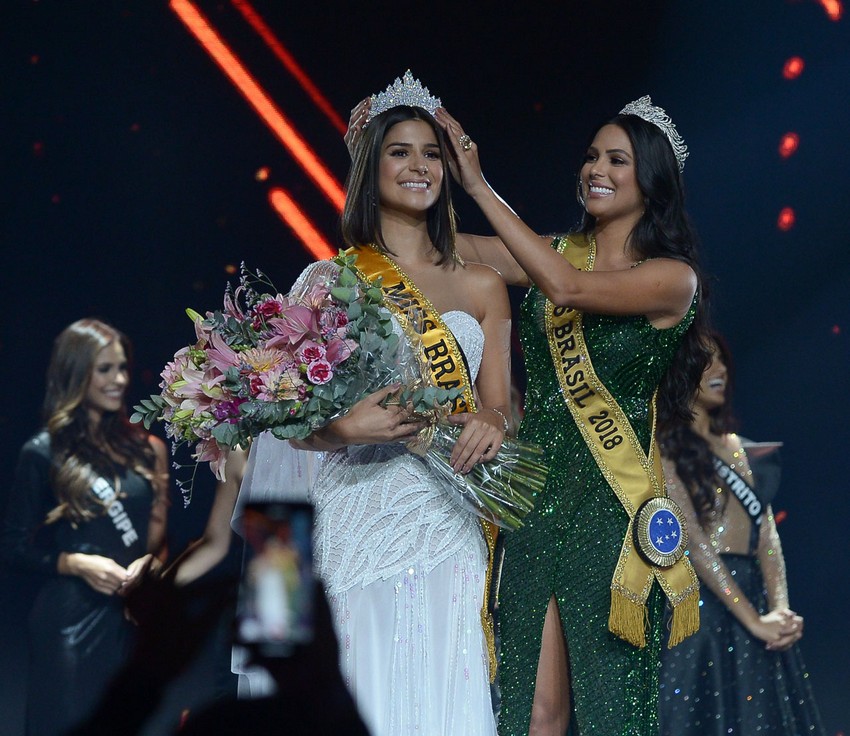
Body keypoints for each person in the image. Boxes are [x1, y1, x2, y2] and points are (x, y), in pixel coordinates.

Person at [350, 95, 711, 734]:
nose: (596, 168)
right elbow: (423, 248)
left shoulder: (670, 277)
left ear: (650, 182)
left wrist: (477, 183)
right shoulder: (553, 251)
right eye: (592, 155)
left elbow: (567, 290)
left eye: (617, 160)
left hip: (610, 508)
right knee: (533, 711)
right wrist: (389, 167)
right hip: (532, 498)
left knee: (609, 708)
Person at [174, 72, 512, 736]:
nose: (419, 166)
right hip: (350, 512)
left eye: (430, 152)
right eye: (400, 151)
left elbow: (498, 404)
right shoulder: (327, 279)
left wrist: (493, 422)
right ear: (370, 168)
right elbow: (278, 422)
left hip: (445, 521)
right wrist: (346, 425)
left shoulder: (483, 285)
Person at [0, 318, 170, 736]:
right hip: (69, 625)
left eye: (123, 368)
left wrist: (153, 563)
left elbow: (161, 541)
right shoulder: (43, 452)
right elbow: (12, 545)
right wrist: (76, 563)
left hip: (132, 620)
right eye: (105, 369)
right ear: (76, 373)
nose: (120, 379)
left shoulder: (148, 449)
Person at [658, 332, 826, 735]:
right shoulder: (663, 448)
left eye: (723, 362)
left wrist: (779, 612)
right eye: (707, 362)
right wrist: (753, 621)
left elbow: (766, 535)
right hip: (700, 604)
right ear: (682, 373)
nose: (720, 371)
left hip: (756, 601)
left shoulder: (742, 449)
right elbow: (695, 543)